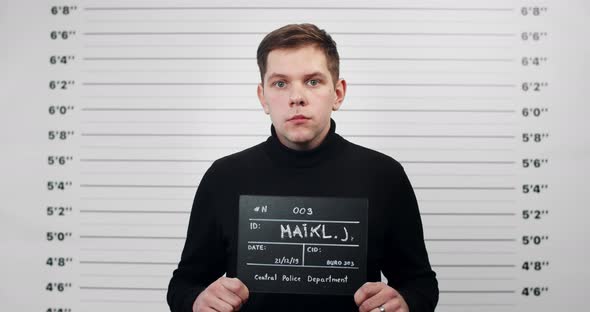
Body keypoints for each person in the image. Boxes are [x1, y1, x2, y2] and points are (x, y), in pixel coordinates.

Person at [167, 23, 438, 312]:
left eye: (312, 81)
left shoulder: (384, 176)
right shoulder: (223, 177)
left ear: (338, 93)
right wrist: (196, 302)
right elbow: (184, 285)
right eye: (280, 83)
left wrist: (406, 303)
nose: (296, 97)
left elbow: (420, 283)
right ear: (263, 97)